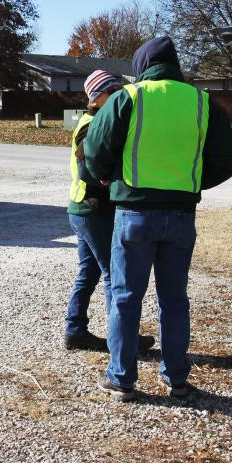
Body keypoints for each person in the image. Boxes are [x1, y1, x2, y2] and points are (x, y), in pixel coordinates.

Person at [83, 36, 232, 401]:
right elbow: (230, 158)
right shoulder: (202, 102)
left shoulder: (129, 97)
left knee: (125, 297)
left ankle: (122, 379)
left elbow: (95, 149)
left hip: (134, 213)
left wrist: (108, 177)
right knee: (174, 300)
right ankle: (176, 379)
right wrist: (192, 181)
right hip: (181, 215)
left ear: (142, 67)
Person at [65, 70, 156, 353]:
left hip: (83, 209)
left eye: (120, 88)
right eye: (114, 90)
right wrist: (110, 176)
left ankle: (75, 330)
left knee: (89, 272)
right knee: (113, 275)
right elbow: (86, 169)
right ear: (98, 96)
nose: (120, 94)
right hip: (91, 209)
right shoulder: (93, 124)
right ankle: (124, 340)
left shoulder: (96, 119)